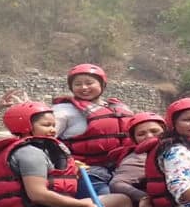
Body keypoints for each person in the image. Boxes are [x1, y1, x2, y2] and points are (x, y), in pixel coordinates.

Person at [0, 101, 135, 207]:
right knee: (121, 201)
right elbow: (38, 195)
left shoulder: (22, 149)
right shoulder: (31, 153)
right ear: (26, 126)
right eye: (46, 125)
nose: (53, 130)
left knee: (99, 202)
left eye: (54, 125)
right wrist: (83, 204)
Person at [51, 63, 133, 195]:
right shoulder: (63, 111)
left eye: (89, 83)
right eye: (77, 84)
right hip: (87, 172)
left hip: (122, 169)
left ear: (102, 85)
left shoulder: (118, 108)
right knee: (113, 201)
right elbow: (46, 138)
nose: (84, 87)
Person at [108, 112, 167, 207]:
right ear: (134, 139)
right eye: (141, 134)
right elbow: (117, 184)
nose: (149, 136)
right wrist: (144, 197)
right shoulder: (137, 158)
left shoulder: (180, 149)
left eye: (155, 131)